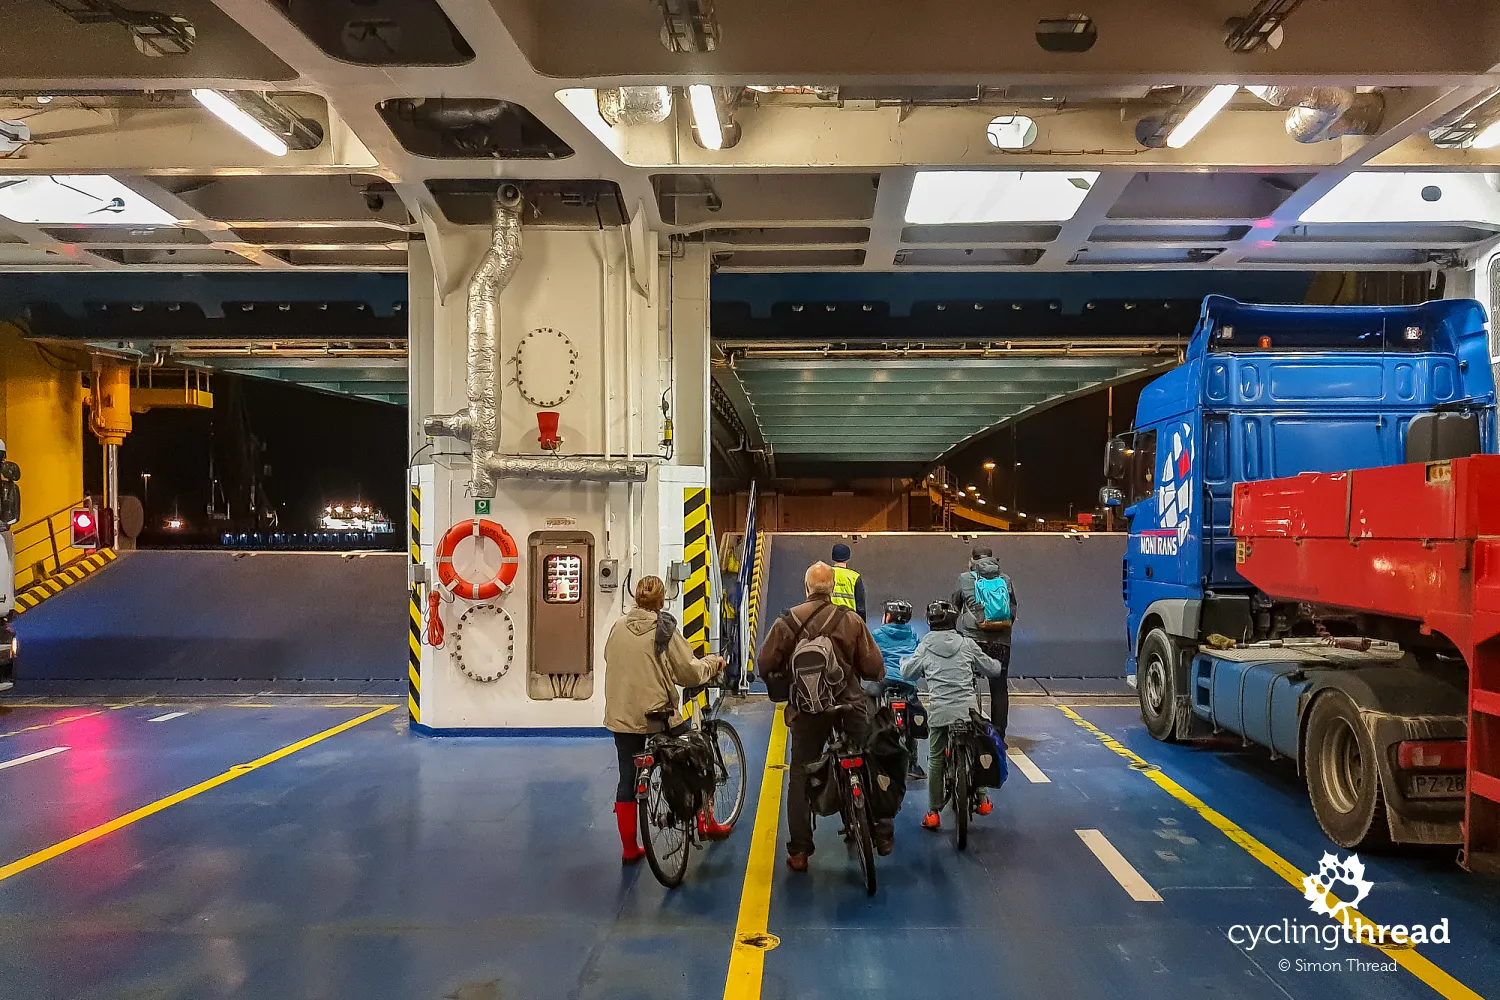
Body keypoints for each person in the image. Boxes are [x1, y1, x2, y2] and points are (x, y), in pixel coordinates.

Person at [757, 561, 889, 871]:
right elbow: (874, 667)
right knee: (871, 753)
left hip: (807, 710)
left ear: (806, 589)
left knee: (801, 773)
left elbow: (764, 664)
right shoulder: (850, 620)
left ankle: (800, 851)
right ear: (831, 589)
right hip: (849, 704)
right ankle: (882, 829)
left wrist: (786, 685)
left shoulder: (787, 622)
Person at [603, 575, 726, 865]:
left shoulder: (617, 627)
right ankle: (706, 821)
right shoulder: (664, 628)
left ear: (636, 598)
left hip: (622, 717)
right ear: (661, 601)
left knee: (627, 780)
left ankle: (630, 849)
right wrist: (713, 663)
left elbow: (611, 659)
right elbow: (690, 673)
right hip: (658, 718)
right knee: (698, 754)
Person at [900, 600, 1006, 830]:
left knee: (936, 758)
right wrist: (996, 660)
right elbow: (992, 669)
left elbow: (908, 672)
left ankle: (933, 812)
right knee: (977, 746)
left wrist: (903, 662)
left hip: (939, 713)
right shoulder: (966, 644)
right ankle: (982, 797)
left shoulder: (925, 646)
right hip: (967, 712)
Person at [953, 544, 1017, 741]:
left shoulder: (964, 579)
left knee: (967, 684)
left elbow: (955, 607)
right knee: (999, 688)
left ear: (972, 561)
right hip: (1001, 641)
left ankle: (971, 731)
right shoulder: (1005, 580)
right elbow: (1013, 609)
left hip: (973, 641)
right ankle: (999, 736)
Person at [870, 599, 924, 779]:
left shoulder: (877, 634)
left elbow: (868, 655)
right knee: (911, 715)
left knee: (870, 708)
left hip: (885, 680)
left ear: (888, 616)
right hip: (908, 681)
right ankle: (914, 764)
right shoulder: (913, 634)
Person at [829, 543, 867, 622]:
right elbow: (860, 608)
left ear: (833, 556)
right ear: (848, 558)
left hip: (829, 620)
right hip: (850, 622)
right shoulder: (854, 576)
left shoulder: (826, 574)